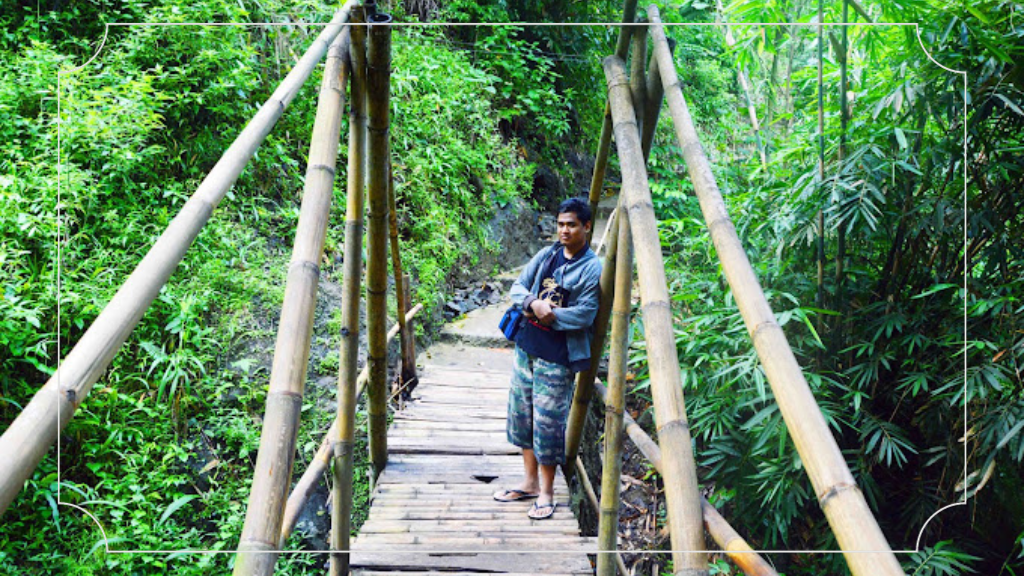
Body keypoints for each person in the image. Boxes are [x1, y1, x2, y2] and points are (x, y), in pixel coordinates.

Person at [492, 197, 603, 520]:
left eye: (571, 225)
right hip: (527, 347)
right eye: (560, 224)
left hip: (557, 356)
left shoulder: (591, 267)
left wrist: (550, 313)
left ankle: (547, 492)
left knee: (548, 423)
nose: (564, 231)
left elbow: (585, 314)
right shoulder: (548, 254)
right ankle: (528, 482)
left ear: (586, 227)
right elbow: (517, 286)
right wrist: (531, 302)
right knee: (523, 415)